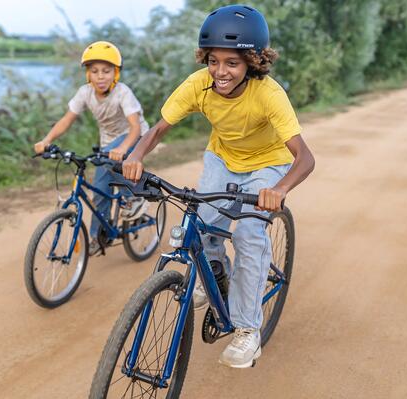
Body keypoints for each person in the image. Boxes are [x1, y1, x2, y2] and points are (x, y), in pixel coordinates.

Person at [122, 5, 315, 368]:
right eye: (213, 60)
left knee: (248, 235)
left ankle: (247, 330)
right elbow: (159, 129)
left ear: (252, 62)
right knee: (204, 226)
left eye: (232, 63)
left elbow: (304, 158)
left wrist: (281, 189)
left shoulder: (268, 94)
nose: (220, 71)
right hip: (222, 159)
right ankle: (214, 276)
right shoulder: (199, 85)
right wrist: (136, 155)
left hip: (268, 165)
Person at [34, 41, 150, 256]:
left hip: (136, 136)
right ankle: (98, 238)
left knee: (113, 160)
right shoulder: (85, 92)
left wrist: (124, 148)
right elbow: (67, 119)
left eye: (106, 71)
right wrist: (47, 140)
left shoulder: (123, 92)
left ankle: (134, 199)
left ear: (116, 73)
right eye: (94, 71)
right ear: (88, 74)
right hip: (109, 143)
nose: (100, 76)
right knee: (100, 191)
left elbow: (134, 127)